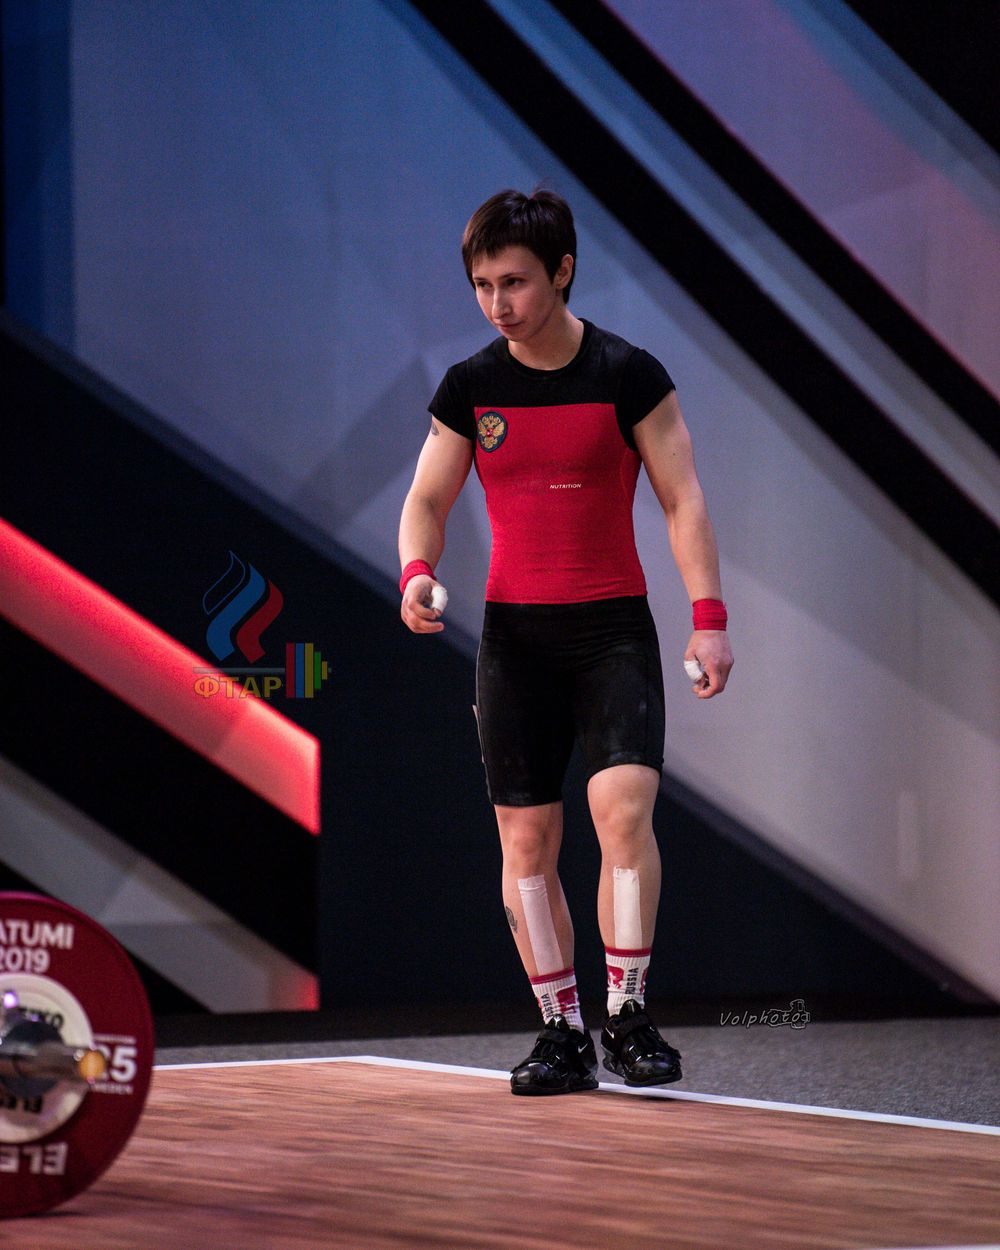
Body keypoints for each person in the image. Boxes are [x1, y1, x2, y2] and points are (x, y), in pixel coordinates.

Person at [398, 188, 733, 1095]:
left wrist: (708, 620)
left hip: (611, 630)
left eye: (513, 282)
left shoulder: (629, 374)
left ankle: (628, 1016)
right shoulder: (470, 387)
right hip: (515, 640)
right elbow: (426, 498)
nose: (496, 303)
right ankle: (561, 1031)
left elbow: (683, 499)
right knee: (526, 841)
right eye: (481, 286)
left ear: (563, 272)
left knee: (622, 813)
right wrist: (416, 571)